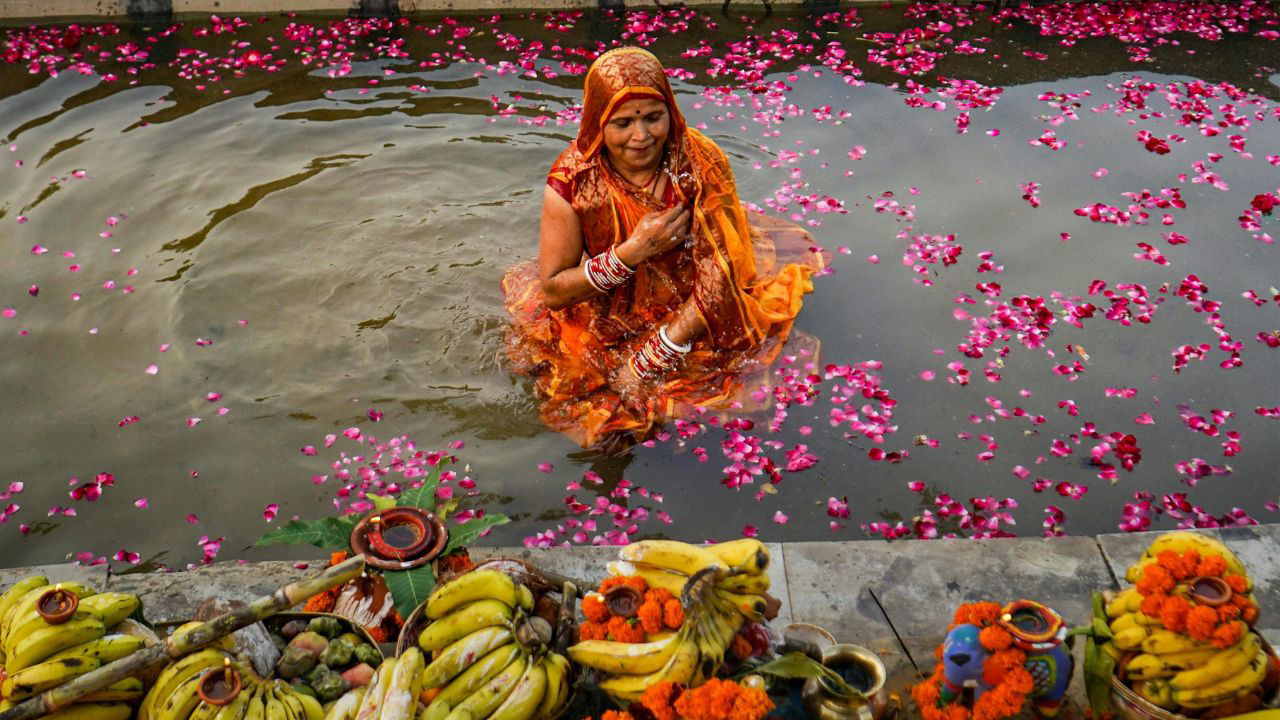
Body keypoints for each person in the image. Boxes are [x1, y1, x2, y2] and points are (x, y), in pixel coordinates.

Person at [502, 47, 823, 451]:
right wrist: (631, 253)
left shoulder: (699, 162)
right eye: (622, 123)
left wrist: (652, 357)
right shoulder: (573, 181)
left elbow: (719, 274)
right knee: (597, 422)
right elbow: (552, 289)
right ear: (598, 124)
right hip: (607, 302)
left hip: (694, 301)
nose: (641, 136)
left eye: (653, 117)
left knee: (704, 391)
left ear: (671, 112)